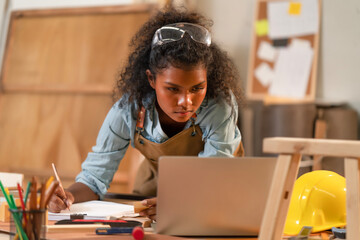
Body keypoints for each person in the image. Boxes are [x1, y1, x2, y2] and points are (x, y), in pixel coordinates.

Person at [48, 6, 244, 221]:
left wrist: (178, 204)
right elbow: (94, 179)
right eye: (173, 89)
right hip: (158, 186)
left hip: (214, 191)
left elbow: (213, 177)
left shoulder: (219, 107)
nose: (186, 102)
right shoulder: (128, 110)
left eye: (197, 88)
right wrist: (68, 196)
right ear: (151, 80)